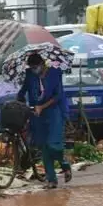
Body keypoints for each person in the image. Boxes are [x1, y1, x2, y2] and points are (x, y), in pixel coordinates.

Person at [17, 54, 72, 189]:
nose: (34, 69)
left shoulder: (54, 73)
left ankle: (65, 164)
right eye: (31, 67)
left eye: (36, 67)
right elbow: (23, 91)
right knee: (44, 147)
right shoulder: (30, 75)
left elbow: (58, 95)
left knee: (53, 144)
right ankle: (51, 179)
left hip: (54, 112)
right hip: (37, 115)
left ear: (42, 64)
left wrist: (42, 106)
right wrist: (20, 101)